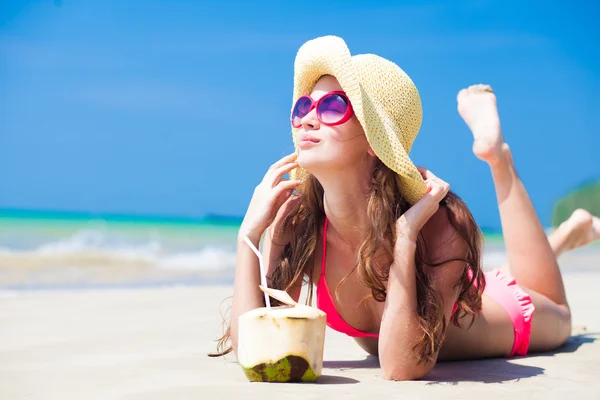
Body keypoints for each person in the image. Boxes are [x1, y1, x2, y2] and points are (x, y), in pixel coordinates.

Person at [212, 36, 600, 380]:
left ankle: (498, 159)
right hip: (459, 285)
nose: (308, 118)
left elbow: (400, 368)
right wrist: (249, 235)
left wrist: (406, 238)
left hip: (510, 314)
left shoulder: (435, 225)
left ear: (374, 141)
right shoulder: (302, 224)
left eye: (332, 106)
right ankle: (565, 236)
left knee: (560, 314)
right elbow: (254, 346)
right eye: (302, 106)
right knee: (502, 275)